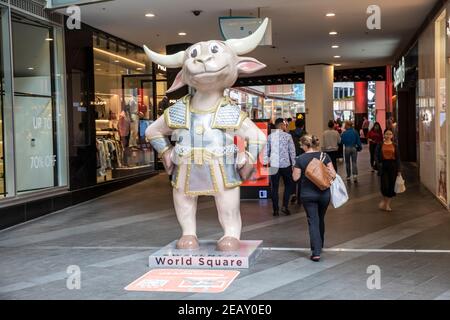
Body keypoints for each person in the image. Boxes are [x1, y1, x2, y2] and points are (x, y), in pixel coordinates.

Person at [292, 135, 336, 262]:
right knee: (320, 219)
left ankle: (316, 252)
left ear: (306, 145)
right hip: (324, 193)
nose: (301, 147)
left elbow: (295, 178)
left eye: (301, 145)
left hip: (308, 195)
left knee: (313, 221)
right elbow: (333, 174)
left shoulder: (300, 159)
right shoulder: (324, 156)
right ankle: (319, 245)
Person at [265, 118, 296, 216]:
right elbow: (292, 151)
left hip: (274, 165)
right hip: (286, 165)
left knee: (274, 187)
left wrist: (268, 161)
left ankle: (275, 210)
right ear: (281, 125)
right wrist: (294, 164)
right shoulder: (288, 136)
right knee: (288, 185)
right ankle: (284, 206)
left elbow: (266, 152)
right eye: (284, 125)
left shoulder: (270, 137)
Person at [375, 129, 401, 212]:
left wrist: (399, 170)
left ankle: (387, 204)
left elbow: (398, 158)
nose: (388, 135)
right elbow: (375, 155)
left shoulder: (395, 145)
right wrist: (379, 165)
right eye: (386, 134)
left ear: (392, 136)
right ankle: (384, 202)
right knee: (384, 185)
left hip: (393, 166)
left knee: (391, 186)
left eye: (390, 134)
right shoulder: (380, 144)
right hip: (383, 166)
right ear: (384, 135)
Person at [290, 119, 307, 204]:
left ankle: (293, 193)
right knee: (301, 177)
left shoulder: (290, 134)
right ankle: (300, 197)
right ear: (303, 125)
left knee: (293, 176)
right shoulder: (305, 134)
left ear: (295, 125)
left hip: (293, 157)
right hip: (302, 157)